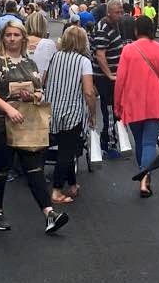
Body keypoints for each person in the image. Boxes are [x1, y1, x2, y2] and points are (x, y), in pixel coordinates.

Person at [0, 19, 70, 233]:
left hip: (24, 124)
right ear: (3, 38)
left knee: (34, 168)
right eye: (8, 35)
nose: (12, 39)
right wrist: (8, 108)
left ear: (23, 38)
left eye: (16, 35)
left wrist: (33, 96)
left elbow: (40, 90)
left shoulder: (29, 63)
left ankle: (49, 213)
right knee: (0, 171)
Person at [114, 16, 159, 198]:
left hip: (133, 101)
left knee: (139, 141)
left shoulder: (128, 50)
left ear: (136, 30)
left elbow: (120, 80)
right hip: (155, 102)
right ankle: (145, 179)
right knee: (149, 142)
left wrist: (117, 104)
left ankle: (143, 173)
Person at [43, 26, 96, 205]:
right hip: (72, 111)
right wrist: (92, 113)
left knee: (65, 149)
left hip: (52, 109)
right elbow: (88, 91)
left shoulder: (54, 57)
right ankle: (57, 190)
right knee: (67, 151)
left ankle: (72, 185)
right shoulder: (83, 61)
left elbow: (44, 80)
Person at [91, 0, 125, 158]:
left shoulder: (114, 25)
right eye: (117, 12)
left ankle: (110, 140)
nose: (120, 15)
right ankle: (108, 144)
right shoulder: (103, 28)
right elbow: (100, 55)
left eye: (121, 11)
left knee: (114, 110)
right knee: (110, 111)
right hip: (105, 79)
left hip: (113, 76)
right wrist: (109, 74)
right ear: (109, 12)